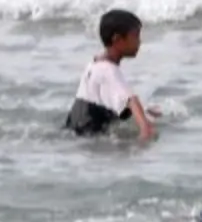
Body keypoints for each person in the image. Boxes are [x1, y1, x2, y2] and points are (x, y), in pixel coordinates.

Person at [64, 8, 157, 139]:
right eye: (135, 36)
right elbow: (131, 100)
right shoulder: (109, 70)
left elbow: (107, 101)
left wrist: (144, 111)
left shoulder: (94, 64)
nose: (140, 42)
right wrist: (145, 128)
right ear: (118, 39)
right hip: (89, 134)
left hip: (74, 126)